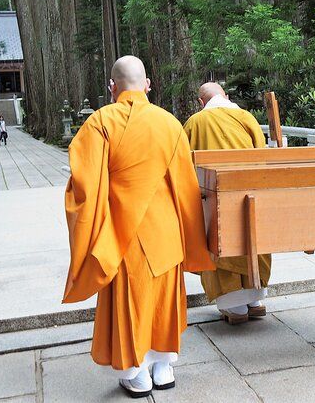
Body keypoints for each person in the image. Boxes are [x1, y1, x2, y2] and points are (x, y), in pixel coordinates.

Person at [62, 55, 215, 398]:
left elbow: (85, 187)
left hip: (122, 233)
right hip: (165, 232)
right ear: (148, 85)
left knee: (131, 302)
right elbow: (186, 188)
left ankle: (137, 373)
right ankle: (163, 367)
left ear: (112, 87)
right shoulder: (170, 124)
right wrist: (192, 237)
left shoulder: (101, 121)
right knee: (163, 300)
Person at [183, 82, 271, 325]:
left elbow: (185, 166)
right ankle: (255, 302)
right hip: (250, 197)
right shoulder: (247, 117)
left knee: (221, 241)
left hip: (216, 199)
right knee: (252, 241)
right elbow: (262, 156)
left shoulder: (195, 123)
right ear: (226, 96)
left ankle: (236, 308)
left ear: (201, 103)